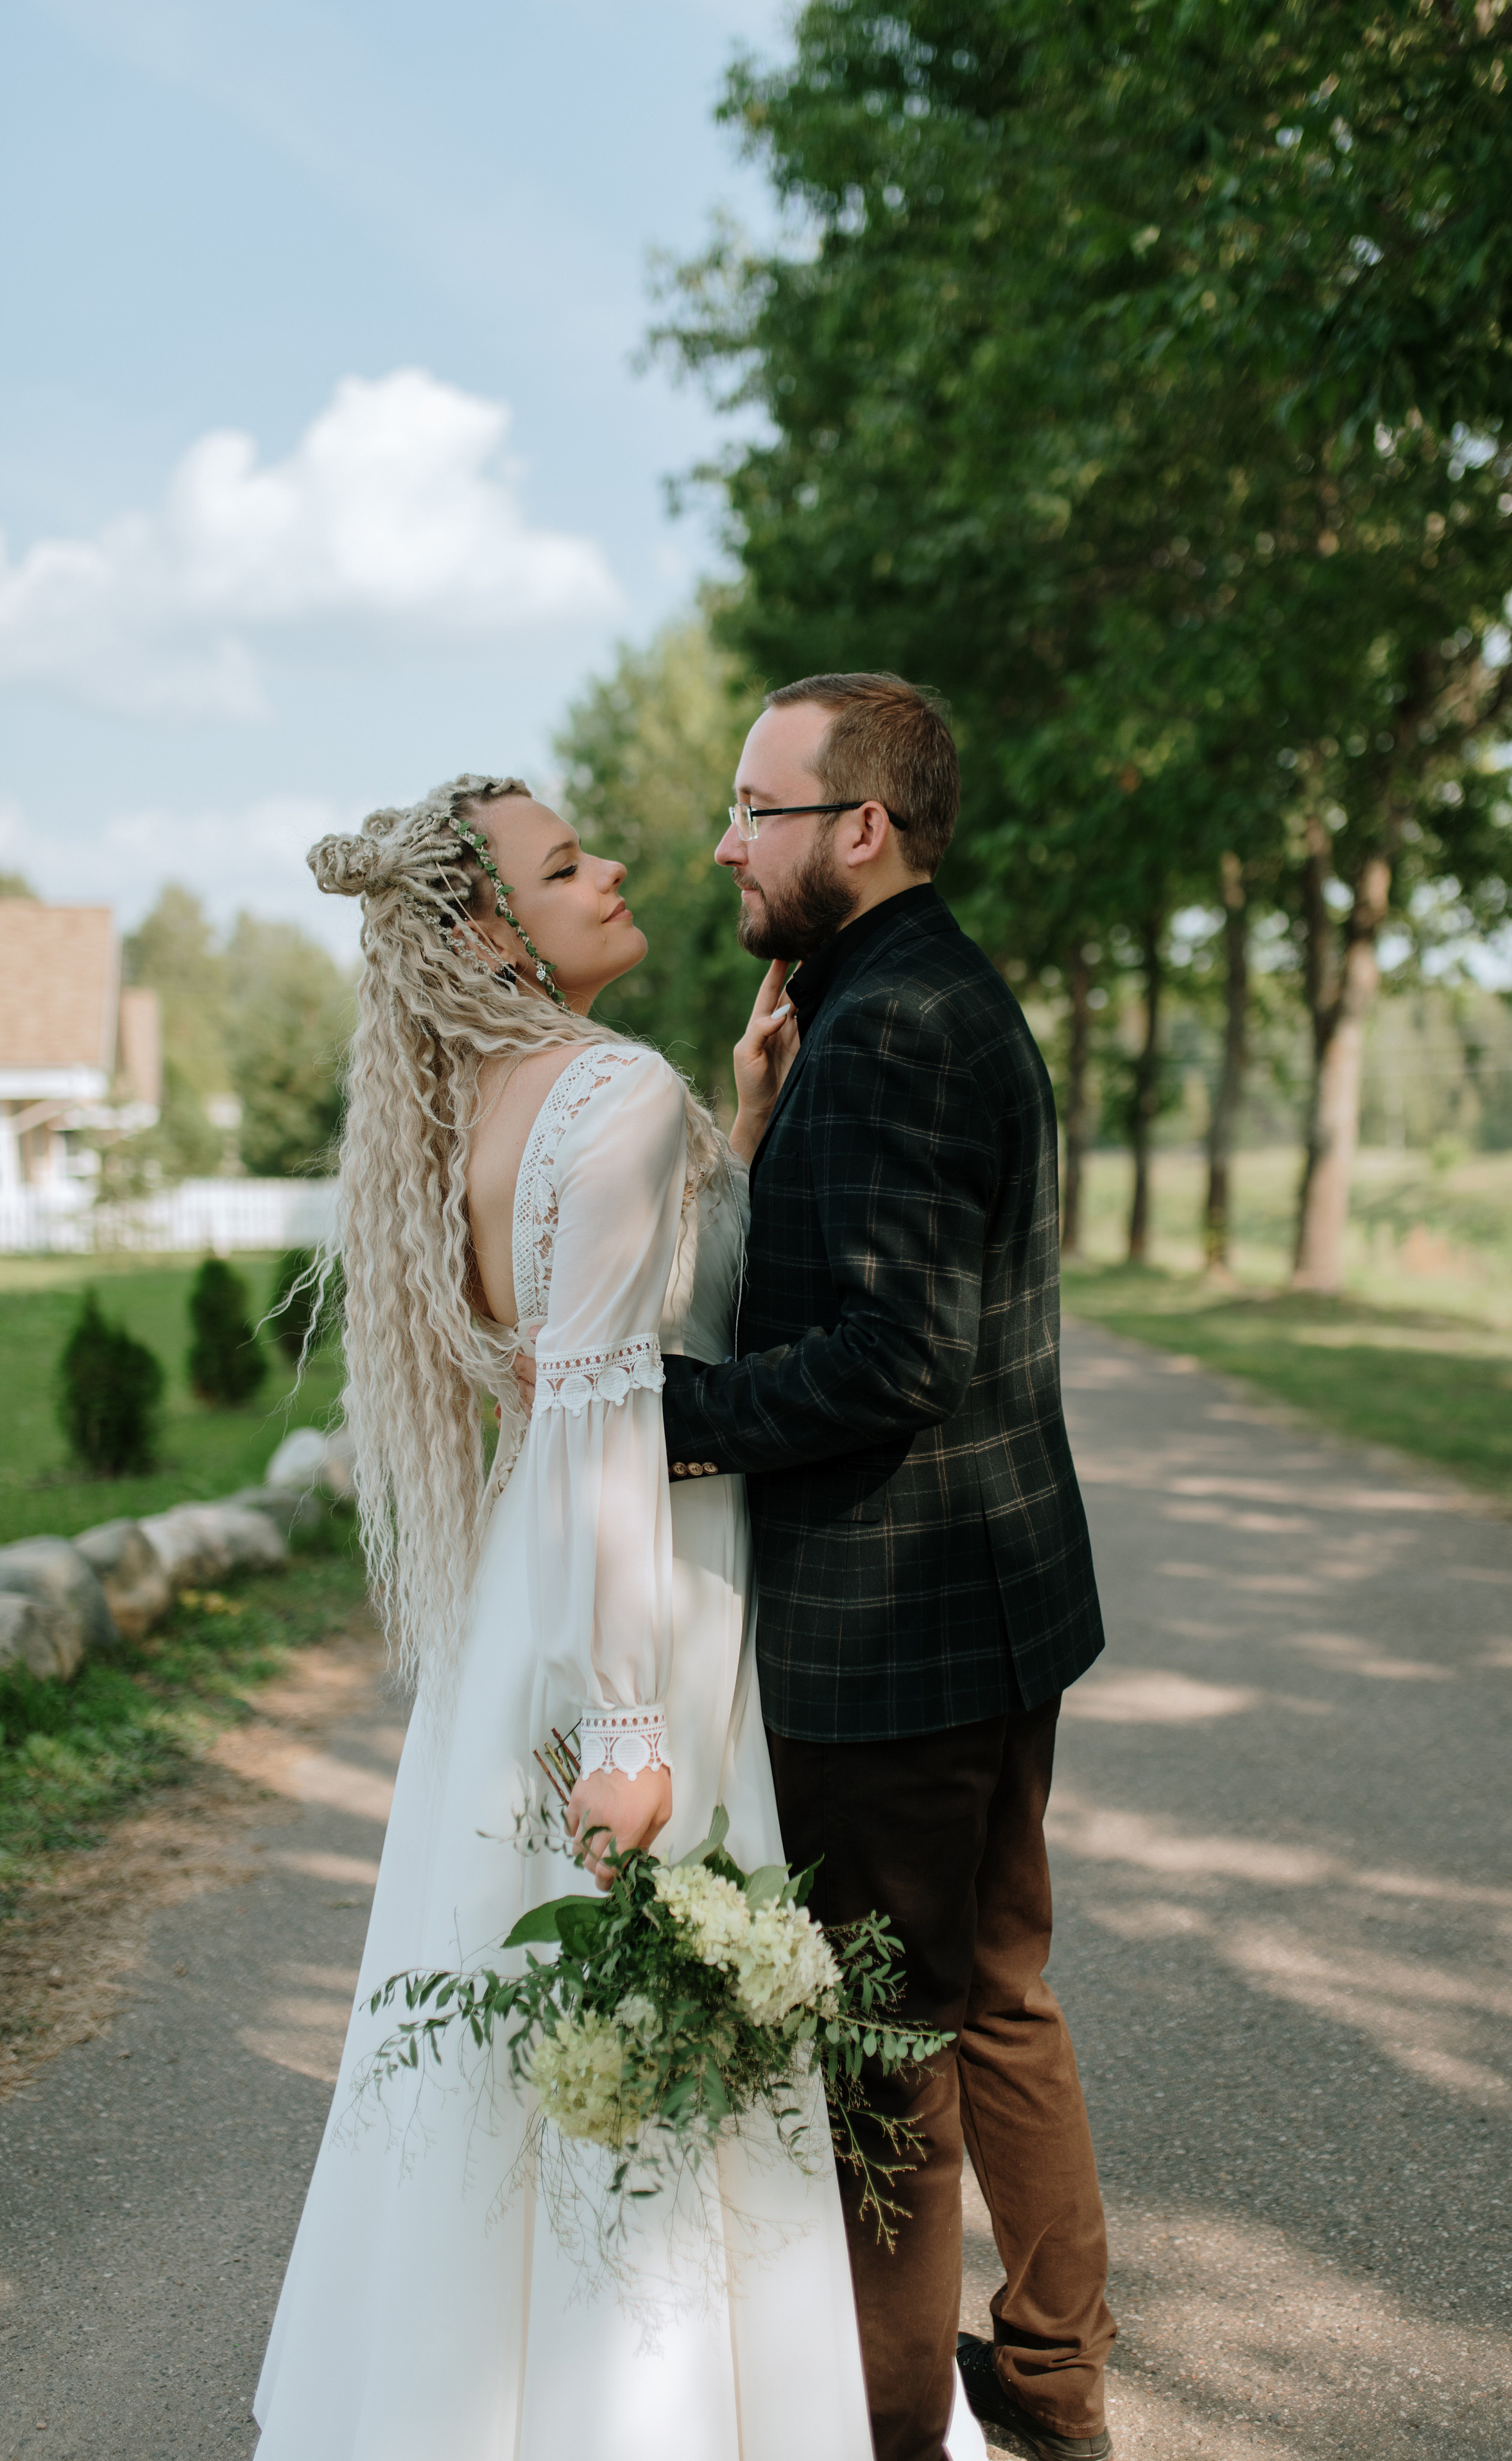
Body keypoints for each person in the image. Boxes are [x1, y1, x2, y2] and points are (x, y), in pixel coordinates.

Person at [253, 775, 979, 2460]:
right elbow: (606, 1427)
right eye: (568, 864)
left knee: (508, 2030)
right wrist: (635, 1729)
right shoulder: (613, 1093)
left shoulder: (479, 1112)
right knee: (633, 2021)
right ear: (491, 932)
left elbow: (592, 1350)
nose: (614, 873)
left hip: (536, 1607)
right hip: (633, 1597)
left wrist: (735, 1125)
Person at [657, 676, 1119, 2461]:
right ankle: (1056, 2377)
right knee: (997, 1995)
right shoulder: (897, 1000)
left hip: (898, 1642)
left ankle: (897, 2433)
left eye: (754, 808)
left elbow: (892, 1358)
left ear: (859, 824)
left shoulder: (898, 1023)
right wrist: (756, 1121)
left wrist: (660, 1408)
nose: (725, 843)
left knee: (889, 2052)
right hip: (988, 1617)